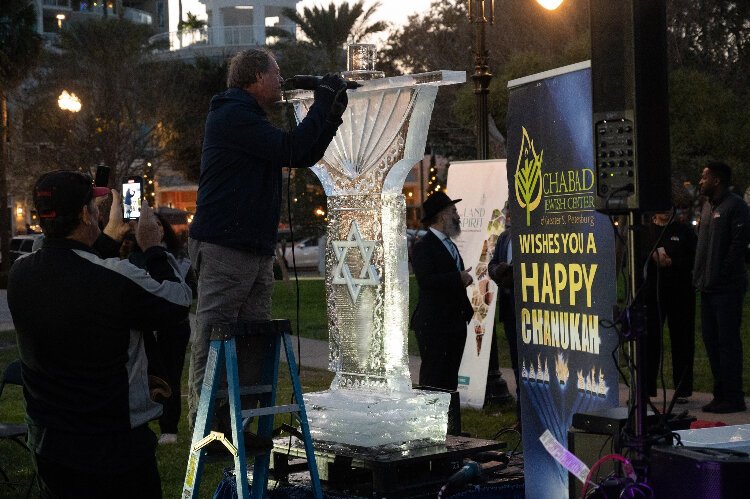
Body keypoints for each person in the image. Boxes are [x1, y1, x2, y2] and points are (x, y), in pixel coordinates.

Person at [187, 48, 349, 430]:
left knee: (252, 338)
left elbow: (303, 152)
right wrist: (324, 99)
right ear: (257, 77)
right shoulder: (232, 115)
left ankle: (236, 422)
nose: (281, 81)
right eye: (276, 75)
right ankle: (205, 424)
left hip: (251, 248)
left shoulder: (245, 118)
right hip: (226, 246)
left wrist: (331, 111)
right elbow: (292, 149)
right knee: (215, 336)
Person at [7, 170, 192, 497]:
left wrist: (107, 237)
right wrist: (152, 249)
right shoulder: (116, 278)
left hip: (50, 442)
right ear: (83, 214)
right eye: (94, 208)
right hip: (113, 446)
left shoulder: (21, 274)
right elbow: (178, 301)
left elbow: (75, 274)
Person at [128, 212, 196, 445]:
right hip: (144, 327)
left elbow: (187, 292)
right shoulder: (131, 257)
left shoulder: (177, 258)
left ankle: (169, 427)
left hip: (173, 327)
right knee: (144, 375)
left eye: (158, 224)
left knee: (171, 376)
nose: (154, 228)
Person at [693, 161, 750, 414]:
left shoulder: (735, 206)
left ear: (717, 180)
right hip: (707, 288)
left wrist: (722, 275)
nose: (700, 181)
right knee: (711, 341)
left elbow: (738, 247)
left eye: (704, 177)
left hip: (727, 289)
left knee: (727, 342)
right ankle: (720, 394)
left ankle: (733, 396)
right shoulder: (707, 207)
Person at [410, 191, 474, 391]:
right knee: (434, 378)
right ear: (442, 215)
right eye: (453, 211)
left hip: (454, 322)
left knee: (449, 379)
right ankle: (432, 420)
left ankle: (450, 421)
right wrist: (458, 278)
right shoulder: (424, 247)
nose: (458, 215)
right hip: (435, 324)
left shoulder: (450, 245)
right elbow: (426, 281)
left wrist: (462, 279)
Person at [643, 209, 697, 403]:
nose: (664, 212)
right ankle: (646, 389)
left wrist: (673, 261)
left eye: (668, 208)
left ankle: (682, 390)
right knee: (649, 340)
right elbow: (636, 258)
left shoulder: (684, 231)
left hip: (680, 292)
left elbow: (695, 258)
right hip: (652, 293)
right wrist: (652, 257)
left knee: (682, 339)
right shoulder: (644, 230)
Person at [488, 203, 519, 417]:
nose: (508, 215)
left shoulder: (534, 235)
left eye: (512, 210)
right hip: (509, 310)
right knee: (517, 363)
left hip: (530, 310)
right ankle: (521, 415)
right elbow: (492, 264)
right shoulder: (504, 238)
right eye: (508, 210)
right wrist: (498, 271)